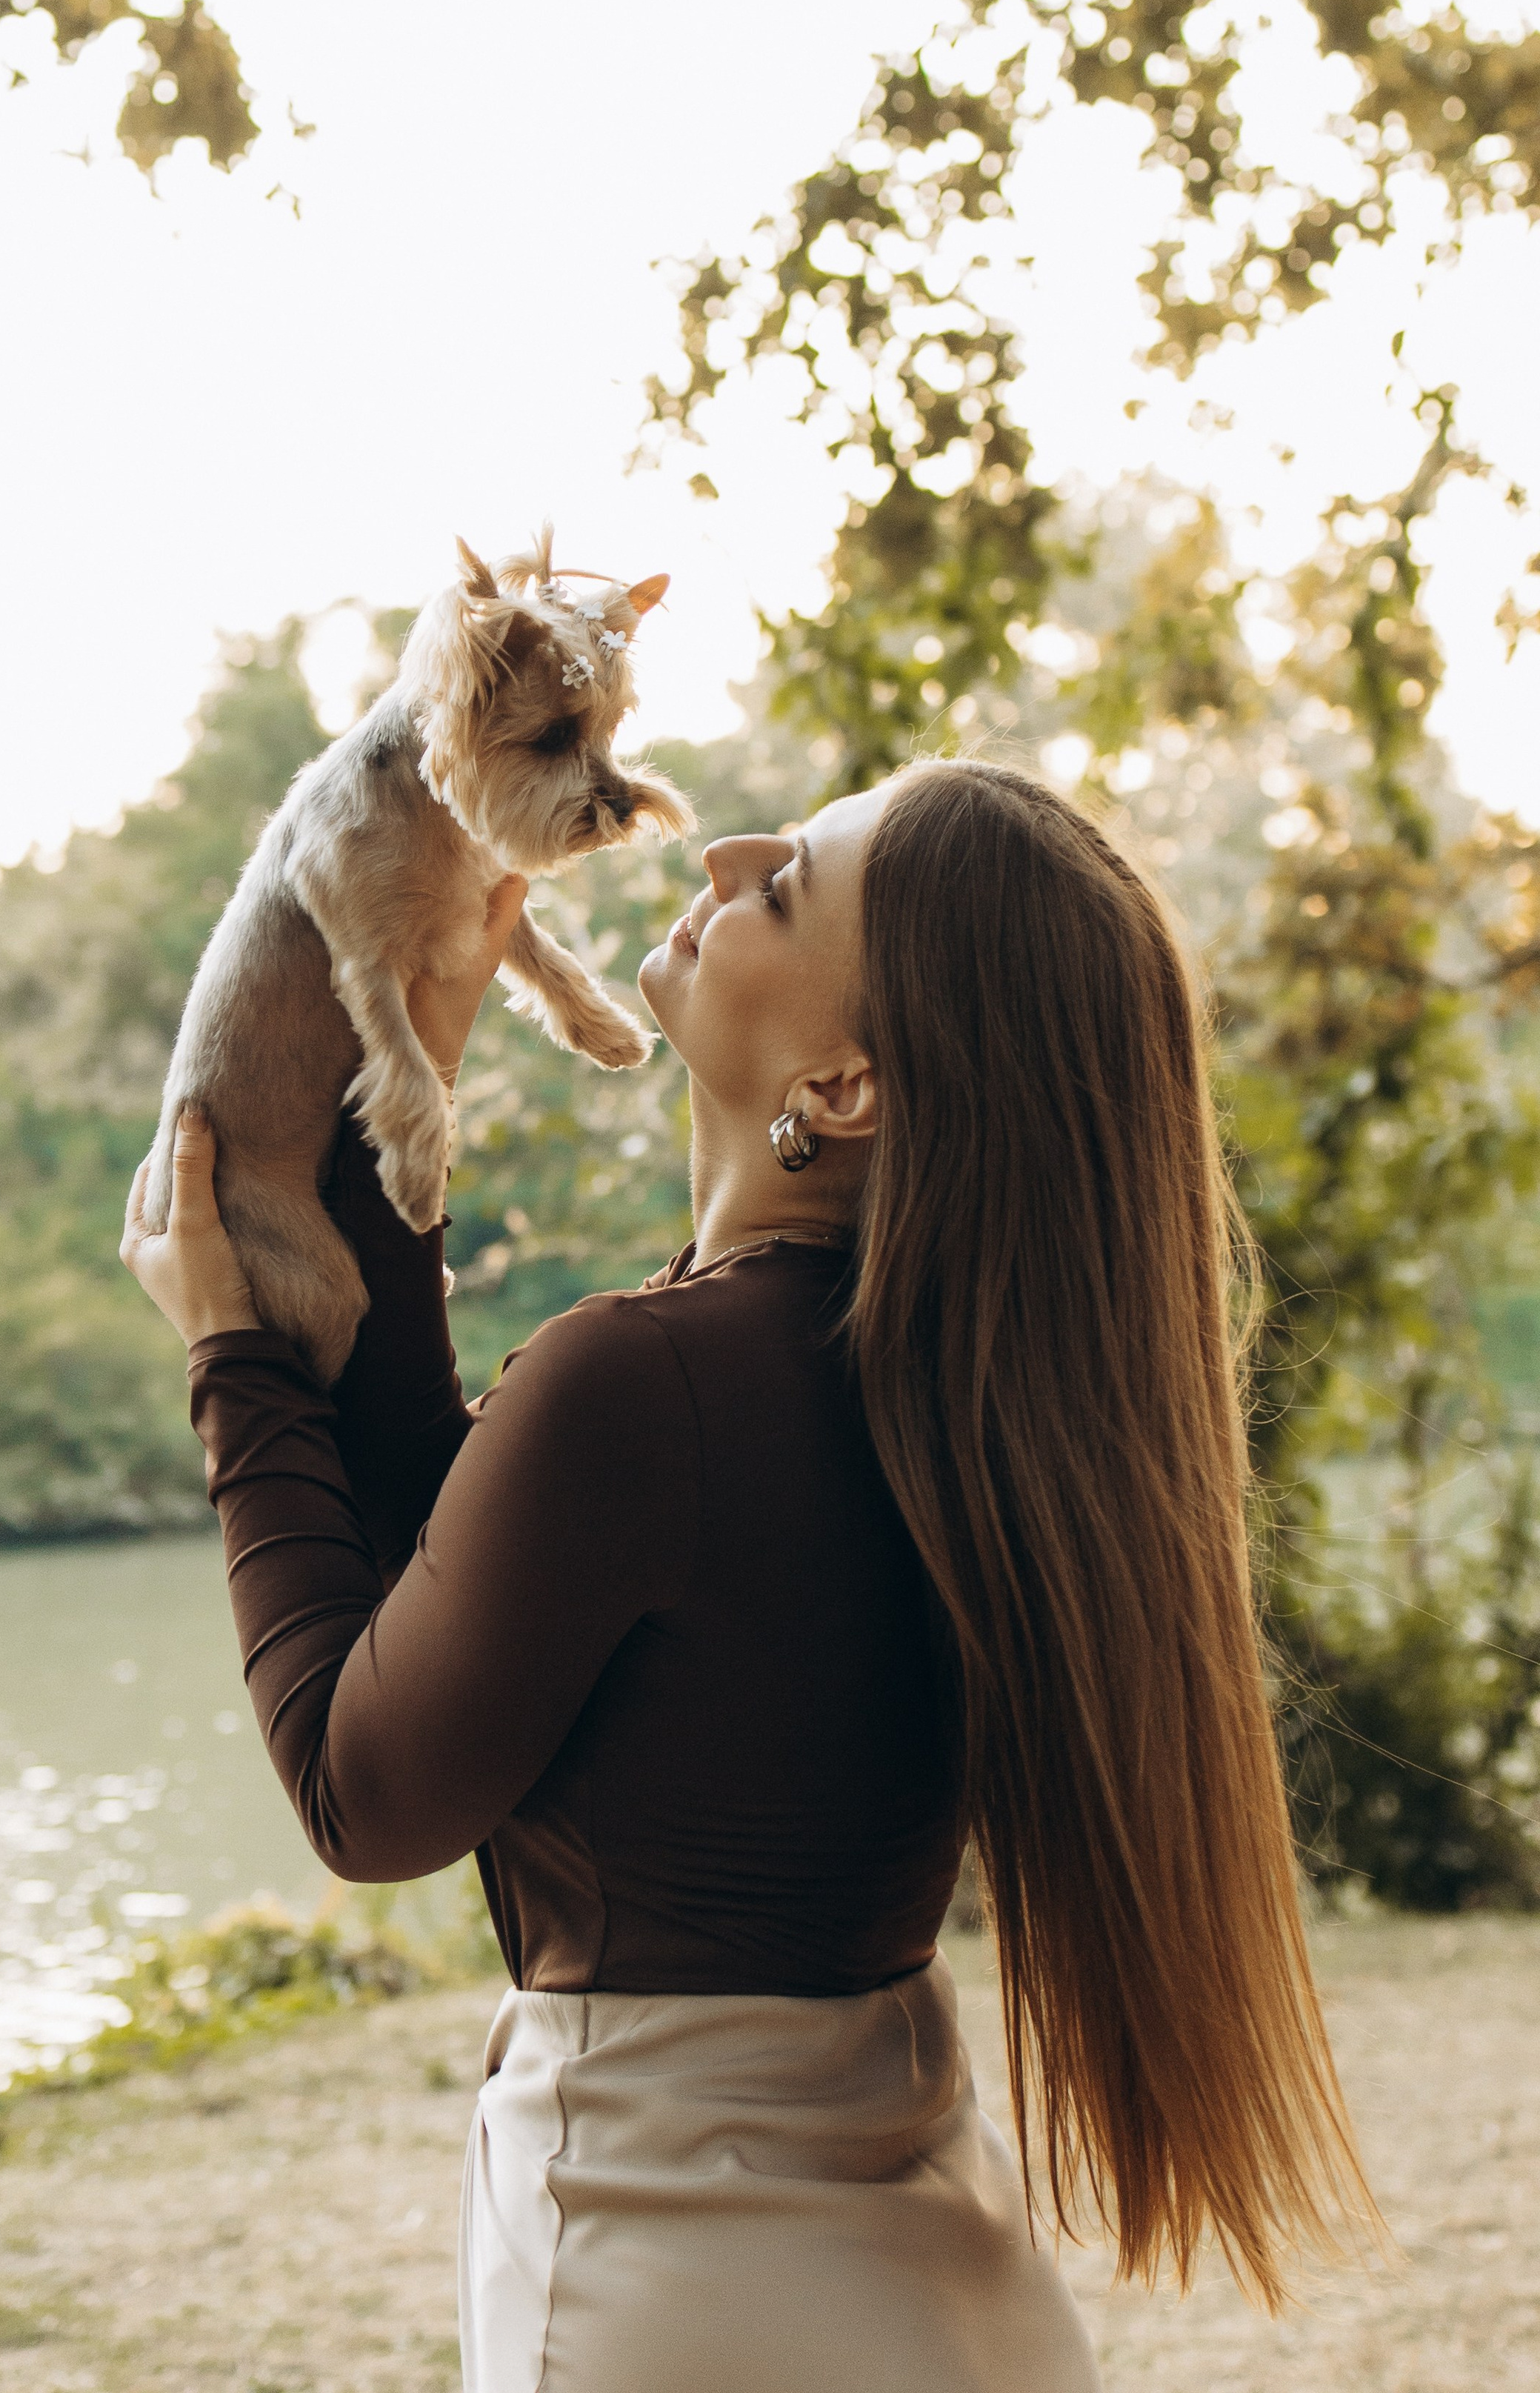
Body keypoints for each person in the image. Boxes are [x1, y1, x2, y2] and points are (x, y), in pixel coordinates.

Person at [121, 756, 1378, 2392]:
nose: (719, 850)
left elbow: (368, 1791)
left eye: (783, 884)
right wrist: (379, 1150)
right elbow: (475, 1582)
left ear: (844, 1086)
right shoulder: (937, 1395)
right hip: (917, 2260)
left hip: (676, 2274)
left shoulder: (651, 1386)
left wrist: (235, 1356)